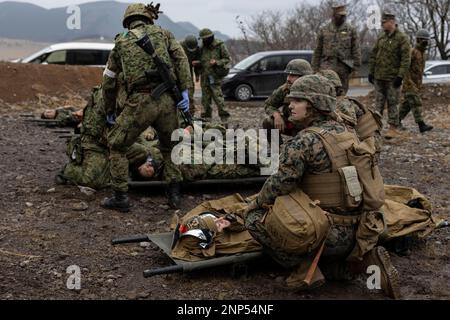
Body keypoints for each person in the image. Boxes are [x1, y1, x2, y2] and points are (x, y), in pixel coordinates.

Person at [243, 74, 400, 299]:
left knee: (254, 216)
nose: (290, 106)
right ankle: (355, 264)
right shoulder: (349, 133)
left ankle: (303, 270)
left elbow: (279, 185)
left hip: (327, 234)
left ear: (314, 105)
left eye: (297, 101)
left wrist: (254, 203)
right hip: (363, 229)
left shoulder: (303, 141)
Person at [101, 3, 191, 211]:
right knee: (171, 147)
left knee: (117, 145)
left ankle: (120, 197)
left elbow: (109, 80)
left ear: (128, 20)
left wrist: (109, 109)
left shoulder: (121, 42)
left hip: (139, 102)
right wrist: (184, 90)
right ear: (148, 17)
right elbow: (181, 59)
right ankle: (174, 195)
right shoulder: (165, 34)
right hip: (167, 101)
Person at [318, 69, 383, 155]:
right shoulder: (336, 102)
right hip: (365, 145)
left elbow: (348, 128)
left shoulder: (342, 103)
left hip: (366, 149)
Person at [368, 9, 411, 139]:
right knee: (378, 104)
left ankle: (392, 128)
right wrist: (371, 71)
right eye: (381, 22)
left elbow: (406, 59)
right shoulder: (381, 37)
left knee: (393, 103)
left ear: (392, 22)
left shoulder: (402, 38)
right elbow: (374, 55)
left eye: (384, 22)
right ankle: (375, 129)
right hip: (379, 77)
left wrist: (400, 76)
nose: (382, 24)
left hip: (393, 78)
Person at [311, 1, 361, 95]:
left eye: (344, 15)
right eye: (340, 15)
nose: (342, 17)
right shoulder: (324, 30)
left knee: (341, 95)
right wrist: (314, 69)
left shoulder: (350, 30)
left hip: (344, 68)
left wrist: (356, 68)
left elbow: (356, 49)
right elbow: (317, 50)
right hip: (326, 67)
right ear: (334, 15)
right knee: (326, 93)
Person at [262, 59, 313, 144]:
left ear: (304, 77)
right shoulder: (285, 88)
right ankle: (278, 152)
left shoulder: (315, 90)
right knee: (268, 122)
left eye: (293, 75)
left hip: (310, 127)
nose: (288, 79)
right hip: (292, 124)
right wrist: (276, 115)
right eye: (288, 75)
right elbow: (269, 104)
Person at [399, 29, 433, 133]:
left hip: (416, 84)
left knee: (407, 105)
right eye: (424, 40)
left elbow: (418, 70)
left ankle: (396, 121)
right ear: (418, 40)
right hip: (409, 84)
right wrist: (408, 82)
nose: (426, 42)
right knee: (416, 103)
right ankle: (421, 125)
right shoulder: (412, 52)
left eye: (427, 40)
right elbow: (405, 68)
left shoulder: (422, 54)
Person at [198, 28, 232, 120]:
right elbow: (202, 61)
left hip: (215, 77)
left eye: (204, 39)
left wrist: (217, 62)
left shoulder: (219, 45)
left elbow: (227, 59)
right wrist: (197, 63)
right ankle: (206, 120)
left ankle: (224, 119)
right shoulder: (202, 48)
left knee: (219, 99)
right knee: (205, 100)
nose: (203, 41)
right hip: (204, 77)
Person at [180, 35, 202, 115]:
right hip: (180, 71)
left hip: (189, 73)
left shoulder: (197, 49)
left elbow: (199, 62)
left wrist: (197, 75)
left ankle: (191, 114)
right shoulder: (180, 47)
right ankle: (181, 114)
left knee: (190, 94)